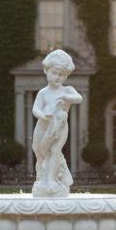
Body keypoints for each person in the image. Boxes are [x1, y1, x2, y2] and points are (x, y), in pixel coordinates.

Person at [31, 49, 82, 198]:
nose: (57, 77)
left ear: (66, 76)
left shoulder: (68, 90)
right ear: (46, 71)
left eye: (61, 75)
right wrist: (43, 116)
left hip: (59, 126)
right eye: (54, 73)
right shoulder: (43, 92)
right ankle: (45, 175)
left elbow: (79, 98)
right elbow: (35, 109)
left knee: (55, 150)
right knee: (39, 151)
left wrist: (67, 97)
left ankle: (51, 180)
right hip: (43, 126)